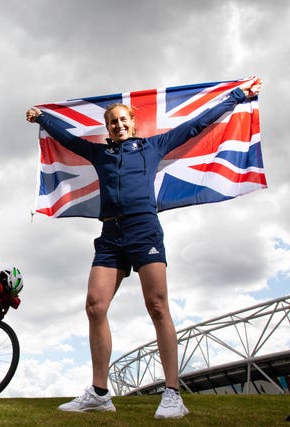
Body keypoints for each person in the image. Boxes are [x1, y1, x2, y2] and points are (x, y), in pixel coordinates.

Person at [25, 78, 262, 419]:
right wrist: (42, 119)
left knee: (157, 306)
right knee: (94, 306)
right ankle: (100, 393)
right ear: (107, 130)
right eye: (113, 123)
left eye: (123, 120)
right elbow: (67, 139)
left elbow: (196, 124)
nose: (119, 125)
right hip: (110, 234)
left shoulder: (152, 147)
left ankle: (172, 393)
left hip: (143, 229)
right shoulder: (99, 152)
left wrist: (238, 96)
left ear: (133, 124)